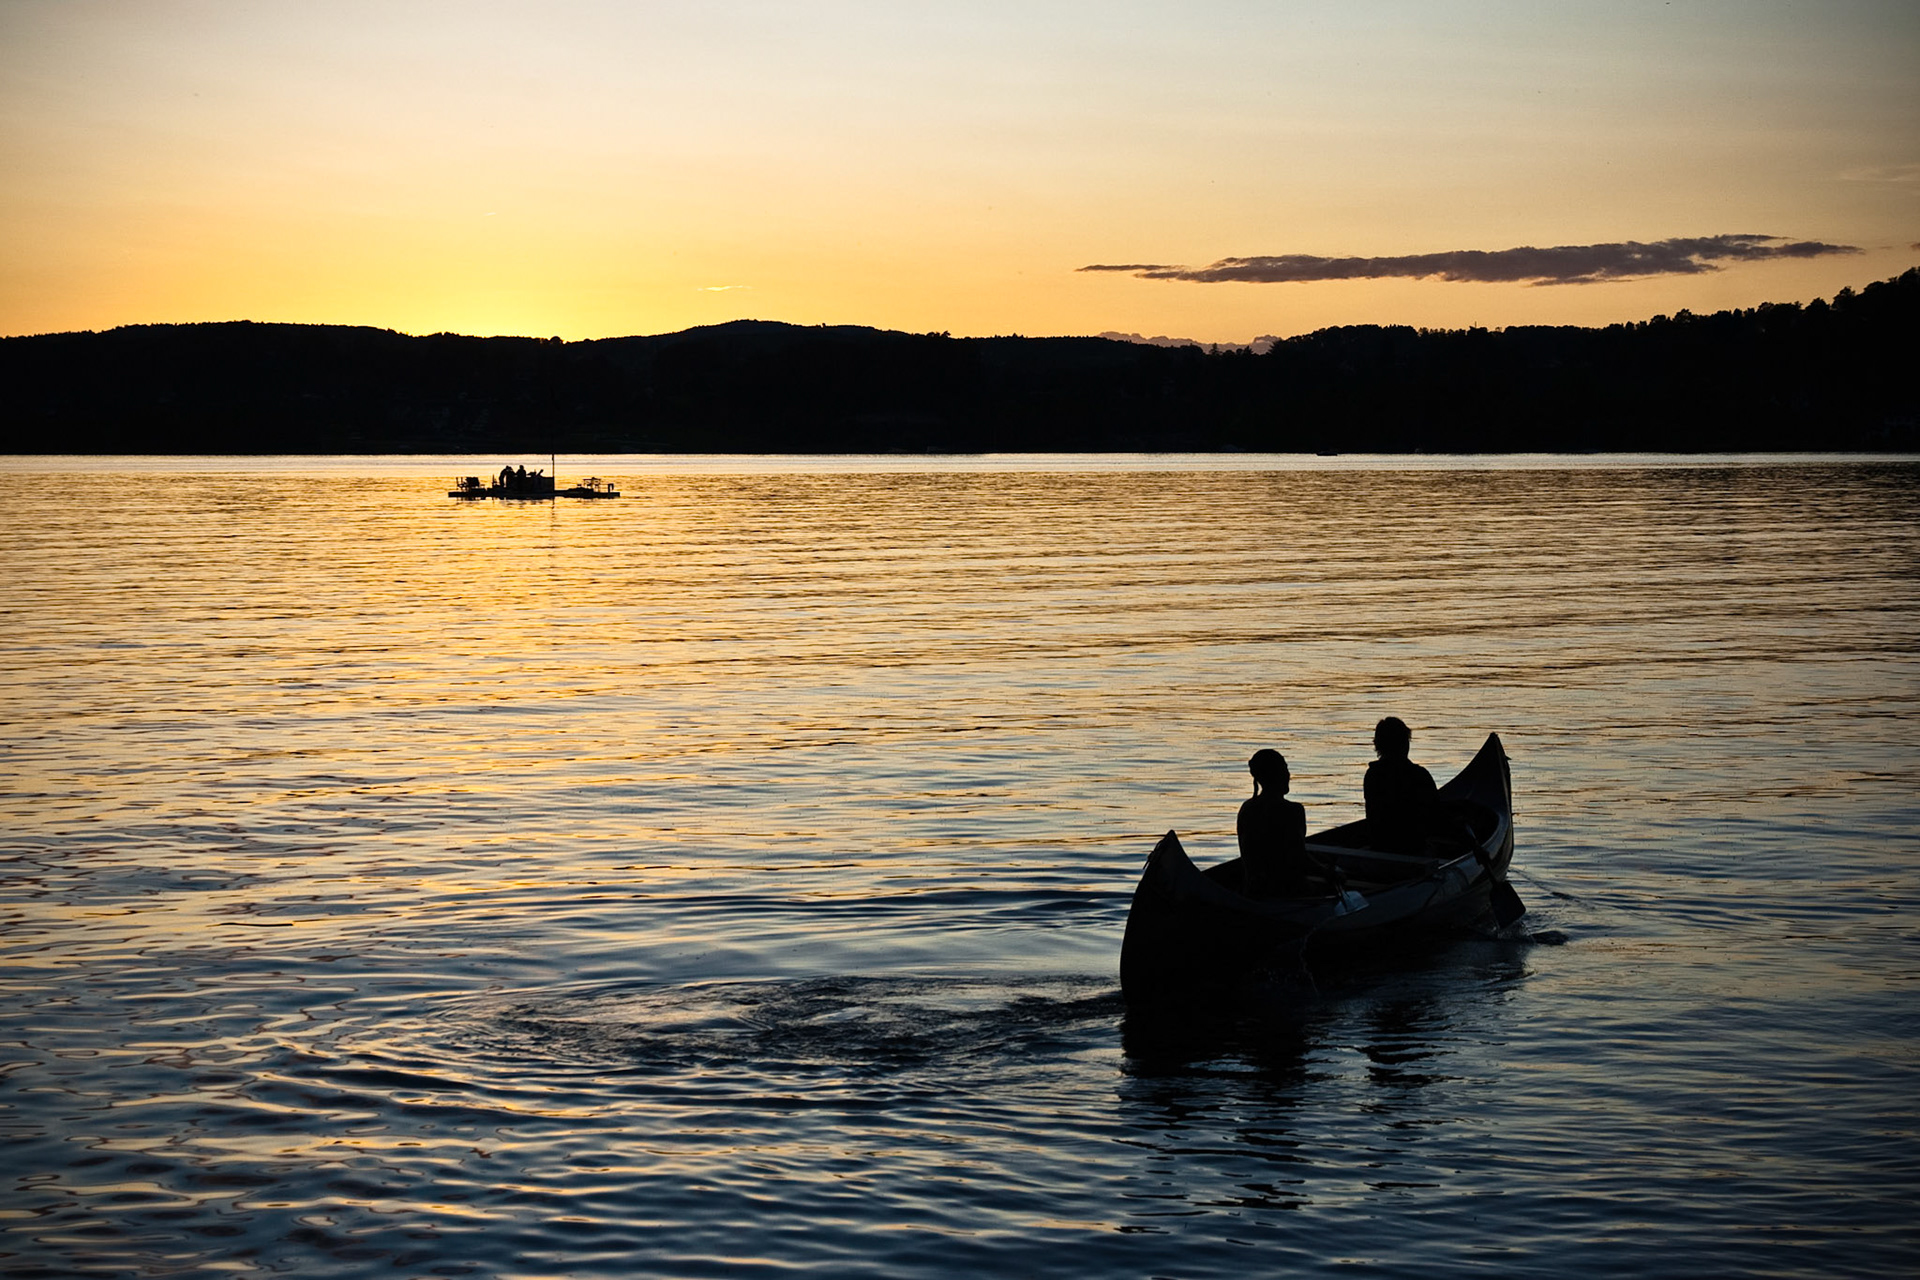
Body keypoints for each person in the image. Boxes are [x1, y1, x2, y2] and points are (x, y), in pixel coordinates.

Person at [1237, 749, 1310, 898]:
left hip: (1253, 892)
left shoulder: (1247, 808)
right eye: (1284, 769)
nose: (1288, 775)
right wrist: (1329, 871)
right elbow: (1299, 858)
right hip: (1287, 893)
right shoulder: (1292, 811)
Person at [1364, 716, 1437, 853]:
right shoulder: (1419, 776)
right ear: (1405, 744)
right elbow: (1435, 817)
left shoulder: (1372, 775)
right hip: (1414, 850)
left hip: (1380, 847)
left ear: (1378, 746)